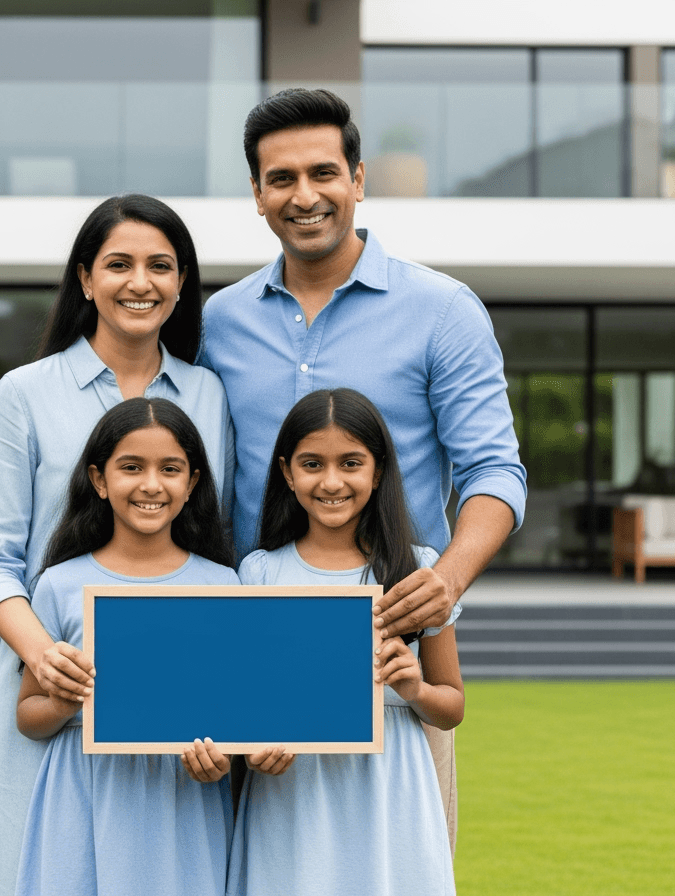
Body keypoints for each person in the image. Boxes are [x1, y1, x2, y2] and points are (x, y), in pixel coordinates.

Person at [200, 88, 526, 859]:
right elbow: (154, 449)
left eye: (323, 173)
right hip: (253, 656)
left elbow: (495, 471)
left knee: (395, 865)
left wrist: (443, 581)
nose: (304, 195)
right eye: (281, 179)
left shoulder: (443, 310)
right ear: (257, 194)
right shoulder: (217, 323)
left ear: (358, 179)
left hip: (390, 663)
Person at [0, 195, 233, 896]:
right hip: (50, 688)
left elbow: (216, 538)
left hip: (178, 718)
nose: (140, 282)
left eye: (160, 266)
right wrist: (44, 656)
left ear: (182, 283)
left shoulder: (209, 394)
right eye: (118, 265)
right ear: (85, 279)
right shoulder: (23, 394)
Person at [227, 389, 462, 896]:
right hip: (291, 791)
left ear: (378, 472)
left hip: (389, 786)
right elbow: (245, 703)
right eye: (312, 464)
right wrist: (252, 749)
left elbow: (452, 706)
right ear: (287, 473)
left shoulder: (416, 571)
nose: (331, 481)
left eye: (351, 463)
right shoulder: (260, 572)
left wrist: (416, 689)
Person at [15, 397, 237, 896]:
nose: (151, 485)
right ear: (99, 479)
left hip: (184, 796)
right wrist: (62, 702)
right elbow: (28, 715)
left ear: (192, 482)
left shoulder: (223, 584)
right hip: (85, 791)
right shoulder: (58, 584)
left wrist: (223, 758)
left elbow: (234, 713)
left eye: (170, 469)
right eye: (131, 467)